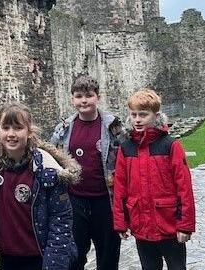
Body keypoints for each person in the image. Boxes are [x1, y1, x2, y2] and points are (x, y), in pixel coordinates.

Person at [0, 102, 80, 270]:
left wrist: (54, 264)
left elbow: (61, 219)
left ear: (29, 131)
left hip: (40, 255)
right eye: (6, 127)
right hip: (7, 255)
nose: (11, 134)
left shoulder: (46, 167)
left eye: (18, 128)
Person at [113, 89, 195, 270]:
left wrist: (185, 225)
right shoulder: (126, 148)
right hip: (141, 226)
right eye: (133, 115)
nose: (137, 119)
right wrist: (121, 222)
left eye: (143, 114)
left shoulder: (170, 145)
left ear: (155, 115)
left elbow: (184, 187)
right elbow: (120, 187)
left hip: (169, 224)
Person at [50, 74, 123, 270]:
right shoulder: (64, 128)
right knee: (74, 256)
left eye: (89, 95)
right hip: (74, 200)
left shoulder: (112, 126)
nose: (84, 100)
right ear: (72, 99)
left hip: (105, 201)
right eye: (79, 96)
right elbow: (50, 157)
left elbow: (126, 157)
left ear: (97, 97)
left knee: (108, 257)